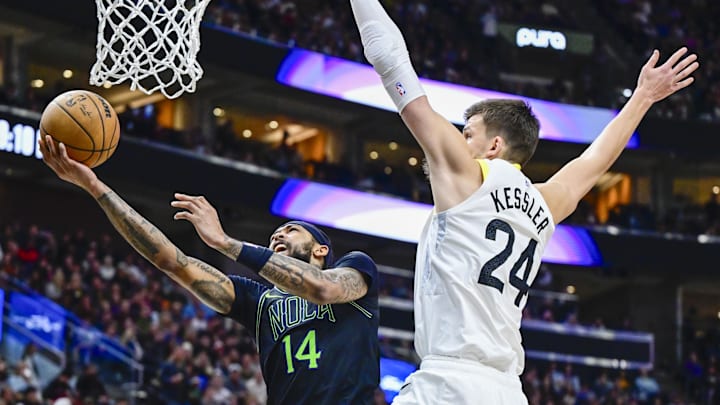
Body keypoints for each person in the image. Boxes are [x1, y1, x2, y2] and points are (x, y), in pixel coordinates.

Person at [348, 1, 699, 403]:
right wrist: (642, 98)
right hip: (507, 391)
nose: (459, 142)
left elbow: (391, 62)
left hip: (448, 382)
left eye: (468, 134)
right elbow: (594, 160)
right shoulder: (545, 202)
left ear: (494, 146)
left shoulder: (467, 175)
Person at [38, 135, 380, 404]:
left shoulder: (355, 270)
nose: (278, 233)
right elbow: (173, 261)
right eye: (276, 231)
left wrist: (225, 243)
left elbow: (322, 288)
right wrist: (95, 187)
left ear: (321, 249)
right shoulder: (258, 301)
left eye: (291, 230)